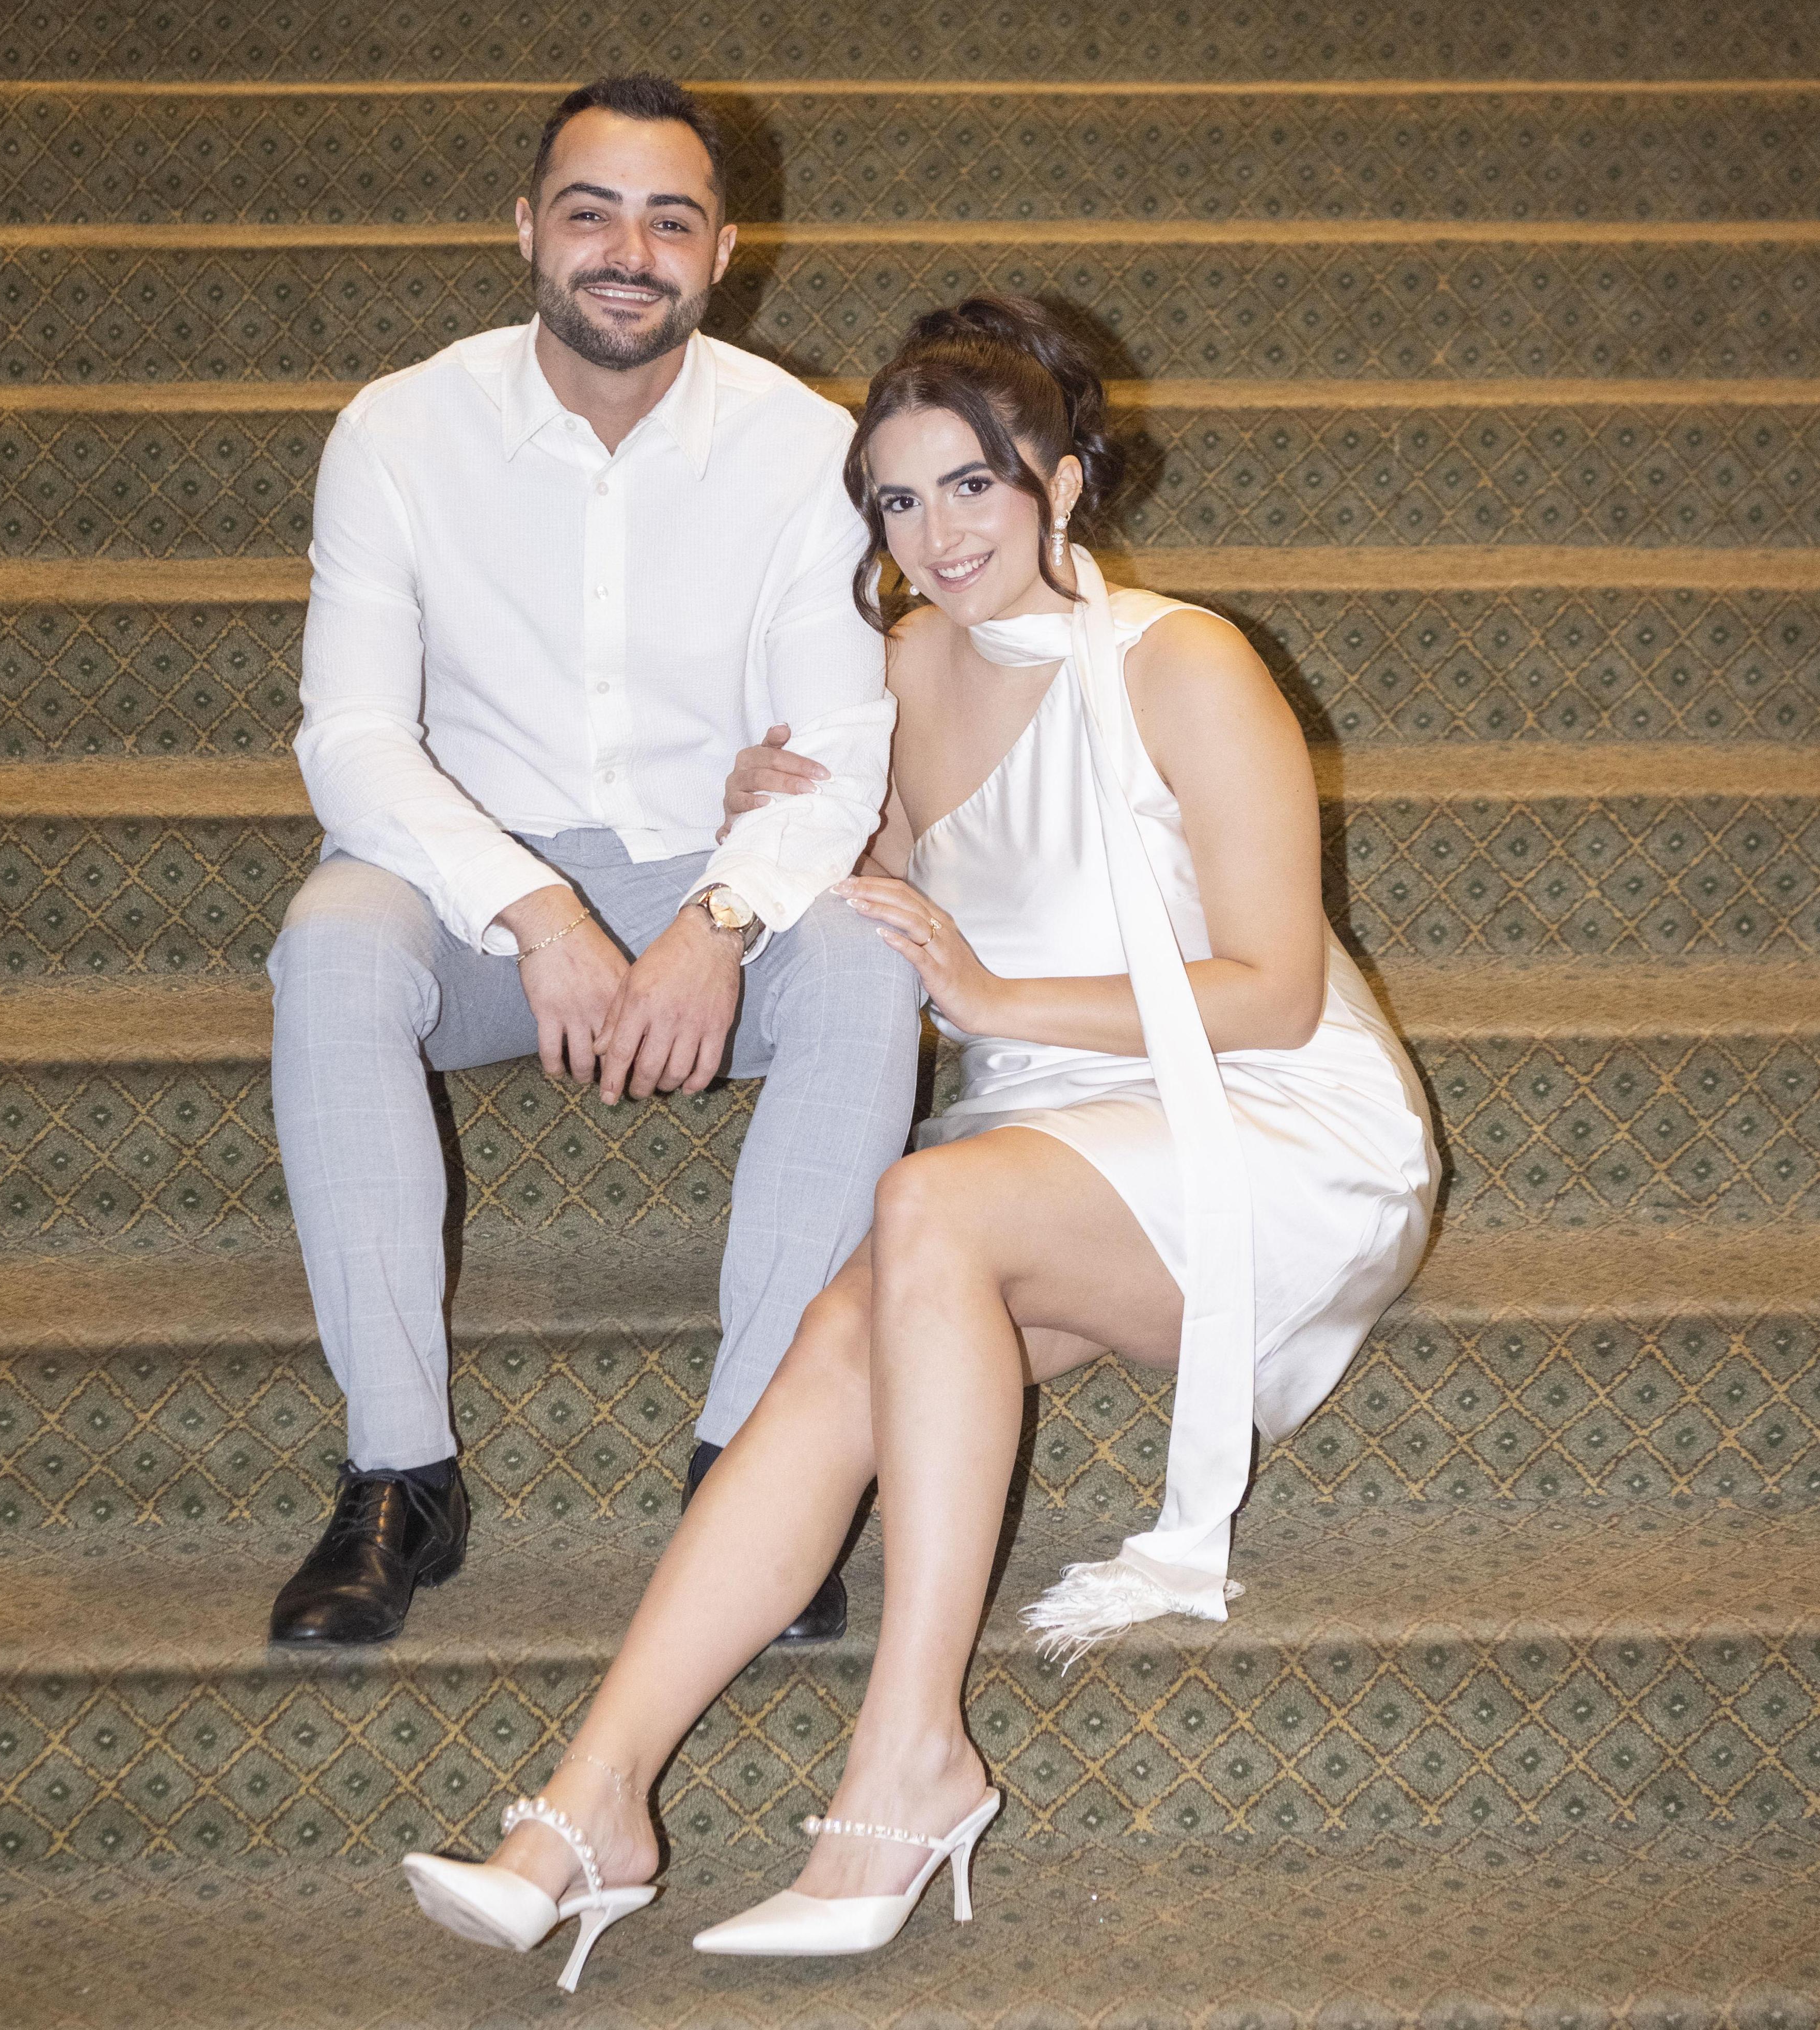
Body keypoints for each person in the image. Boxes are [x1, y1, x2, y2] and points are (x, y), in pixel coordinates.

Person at [398, 294, 1440, 1984]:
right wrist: (766, 818)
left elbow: (1267, 993)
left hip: (1269, 1129)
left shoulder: (1184, 660)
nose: (936, 533)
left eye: (972, 484)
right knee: (844, 1327)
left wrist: (992, 991)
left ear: (1064, 480)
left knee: (922, 1207)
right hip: (1051, 1150)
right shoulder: (891, 674)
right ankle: (591, 1805)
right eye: (895, 499)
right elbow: (878, 885)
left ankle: (907, 1759)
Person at [265, 75, 920, 1648]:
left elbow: (839, 747)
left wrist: (721, 913)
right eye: (592, 212)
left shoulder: (804, 449)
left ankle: (757, 1467)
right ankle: (397, 1475)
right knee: (334, 938)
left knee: (863, 957)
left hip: (707, 869)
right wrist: (532, 905)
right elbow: (351, 738)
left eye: (669, 221)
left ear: (724, 252)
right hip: (475, 893)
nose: (629, 252)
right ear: (526, 228)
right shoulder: (399, 431)